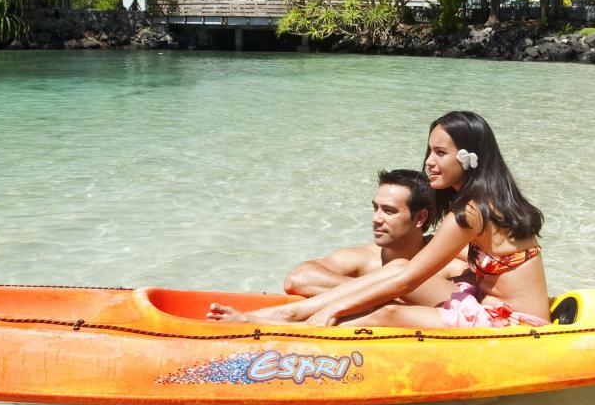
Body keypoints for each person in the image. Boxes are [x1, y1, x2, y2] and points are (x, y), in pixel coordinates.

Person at [213, 110, 549, 329]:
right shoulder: (485, 204)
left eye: (441, 153)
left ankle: (288, 321)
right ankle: (288, 314)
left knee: (388, 306)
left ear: (469, 159)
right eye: (430, 150)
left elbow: (409, 282)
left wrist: (336, 308)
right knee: (398, 268)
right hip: (483, 306)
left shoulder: (470, 213)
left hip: (515, 325)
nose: (429, 161)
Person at [278, 169, 466, 306]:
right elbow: (296, 279)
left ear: (420, 218)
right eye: (376, 208)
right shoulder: (363, 259)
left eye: (389, 211)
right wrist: (385, 291)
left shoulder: (448, 266)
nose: (376, 219)